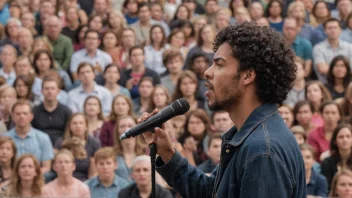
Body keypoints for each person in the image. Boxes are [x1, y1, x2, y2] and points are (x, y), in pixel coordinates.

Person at [139, 22, 306, 197]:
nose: (207, 72)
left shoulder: (262, 150)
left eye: (219, 64)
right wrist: (166, 152)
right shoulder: (249, 135)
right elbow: (212, 192)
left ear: (248, 75)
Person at [5, 100, 54, 174]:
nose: (21, 116)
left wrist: (30, 175)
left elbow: (47, 167)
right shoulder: (5, 138)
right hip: (11, 179)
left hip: (36, 179)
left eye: (25, 113)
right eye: (18, 114)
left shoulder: (43, 137)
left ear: (31, 116)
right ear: (12, 117)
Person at [32, 77, 72, 145]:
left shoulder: (66, 111)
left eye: (52, 88)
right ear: (42, 91)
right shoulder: (35, 111)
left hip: (61, 146)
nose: (49, 91)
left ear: (58, 91)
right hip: (39, 144)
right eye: (47, 88)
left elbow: (68, 134)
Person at [313, 18, 352, 84]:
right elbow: (322, 69)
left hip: (347, 85)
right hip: (326, 86)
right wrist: (343, 70)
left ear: (340, 30)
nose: (333, 30)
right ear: (325, 30)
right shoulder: (318, 48)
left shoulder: (350, 47)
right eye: (330, 28)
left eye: (335, 27)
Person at [321, 124, 352, 190]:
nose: (345, 140)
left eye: (348, 136)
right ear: (335, 141)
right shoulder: (327, 163)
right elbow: (326, 188)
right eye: (341, 137)